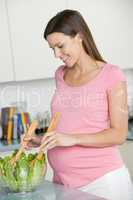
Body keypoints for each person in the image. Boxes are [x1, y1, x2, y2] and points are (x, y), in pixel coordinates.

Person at [22, 9, 133, 199]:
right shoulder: (60, 74)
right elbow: (69, 125)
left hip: (102, 183)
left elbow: (119, 134)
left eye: (60, 46)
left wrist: (72, 138)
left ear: (79, 36)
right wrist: (43, 141)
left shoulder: (111, 75)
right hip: (64, 185)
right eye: (52, 49)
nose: (56, 54)